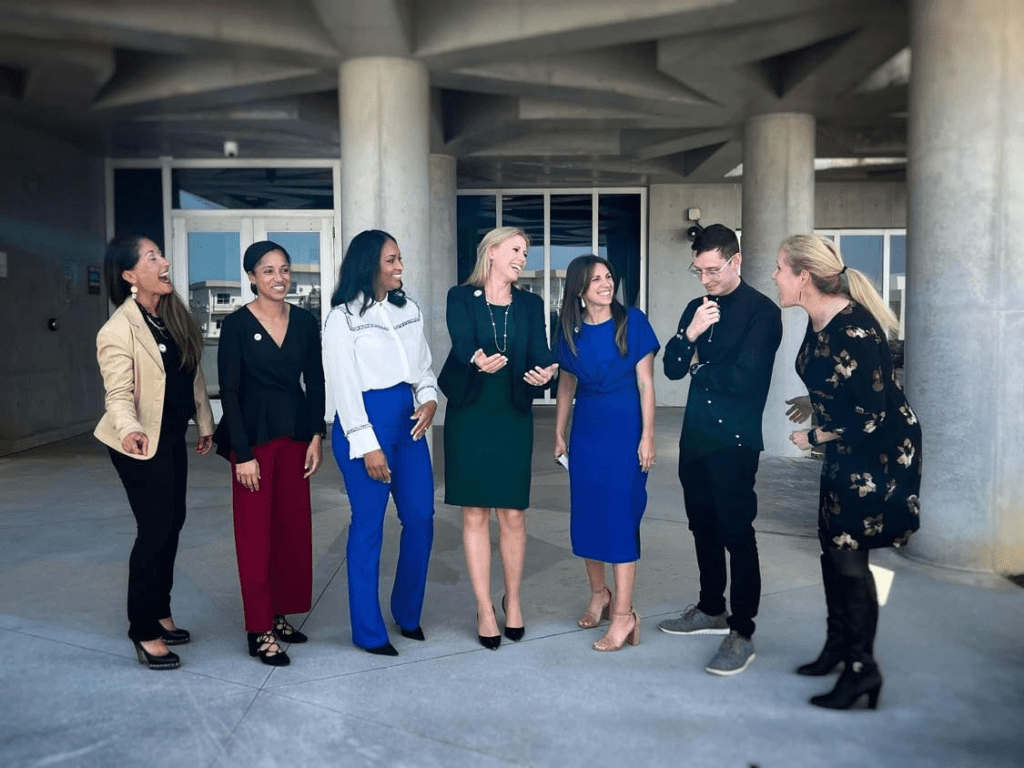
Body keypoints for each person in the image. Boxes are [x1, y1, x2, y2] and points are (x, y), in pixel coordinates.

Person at [774, 234, 922, 710]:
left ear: (803, 276)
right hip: (849, 450)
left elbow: (871, 414)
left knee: (850, 556)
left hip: (878, 453)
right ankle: (839, 647)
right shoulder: (819, 318)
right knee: (832, 547)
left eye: (780, 268)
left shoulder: (853, 329)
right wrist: (813, 402)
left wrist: (815, 435)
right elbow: (839, 378)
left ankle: (862, 669)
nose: (774, 276)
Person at [659, 224, 783, 676]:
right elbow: (672, 369)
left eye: (713, 270)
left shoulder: (763, 313)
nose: (706, 279)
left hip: (734, 440)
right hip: (695, 436)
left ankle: (742, 631)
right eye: (699, 271)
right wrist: (690, 336)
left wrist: (700, 367)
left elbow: (744, 380)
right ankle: (711, 607)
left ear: (736, 261)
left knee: (737, 532)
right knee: (702, 526)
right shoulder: (696, 308)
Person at [95, 233, 214, 670]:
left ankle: (160, 610)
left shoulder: (171, 315)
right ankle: (144, 629)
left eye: (161, 255)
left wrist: (204, 422)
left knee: (172, 522)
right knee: (155, 529)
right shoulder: (117, 330)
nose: (164, 263)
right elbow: (118, 394)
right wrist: (129, 430)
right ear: (130, 275)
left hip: (170, 435)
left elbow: (192, 374)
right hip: (138, 443)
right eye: (152, 257)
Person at [439, 226, 558, 650]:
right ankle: (484, 607)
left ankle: (513, 600)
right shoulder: (460, 297)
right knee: (474, 513)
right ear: (491, 252)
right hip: (470, 415)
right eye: (516, 250)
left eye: (525, 252)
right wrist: (476, 358)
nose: (522, 258)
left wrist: (548, 372)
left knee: (512, 514)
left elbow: (542, 352)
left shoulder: (530, 304)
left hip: (512, 416)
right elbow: (462, 341)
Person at [324, 230, 438, 657]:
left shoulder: (409, 309)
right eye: (391, 260)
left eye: (400, 258)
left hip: (408, 423)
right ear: (369, 263)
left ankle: (407, 612)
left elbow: (422, 368)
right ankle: (368, 631)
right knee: (369, 527)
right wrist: (367, 444)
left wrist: (429, 399)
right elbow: (343, 386)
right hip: (365, 423)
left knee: (421, 518)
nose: (399, 267)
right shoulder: (342, 318)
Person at [214, 240, 325, 667]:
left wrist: (316, 434)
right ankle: (258, 628)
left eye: (284, 269)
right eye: (268, 270)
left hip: (295, 436)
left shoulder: (304, 322)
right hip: (253, 441)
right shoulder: (237, 325)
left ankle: (279, 613)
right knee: (255, 537)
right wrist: (242, 454)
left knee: (291, 532)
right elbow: (230, 391)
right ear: (251, 277)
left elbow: (315, 381)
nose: (279, 278)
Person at [553, 255, 659, 652]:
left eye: (609, 276)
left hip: (625, 430)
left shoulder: (633, 321)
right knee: (589, 514)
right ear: (579, 289)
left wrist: (648, 436)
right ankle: (600, 594)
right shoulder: (570, 329)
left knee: (619, 518)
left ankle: (624, 615)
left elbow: (646, 384)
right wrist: (559, 432)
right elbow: (566, 385)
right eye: (596, 279)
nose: (606, 283)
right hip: (588, 432)